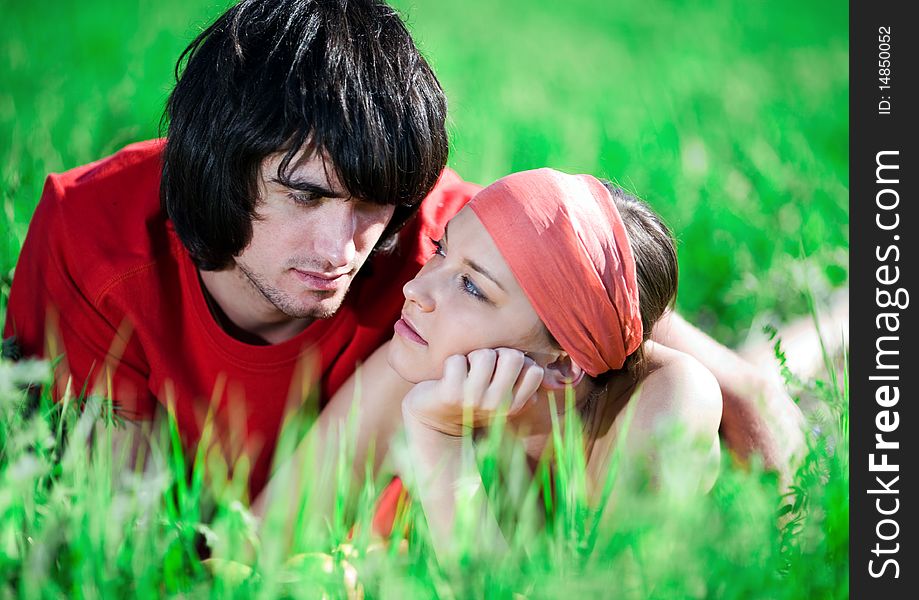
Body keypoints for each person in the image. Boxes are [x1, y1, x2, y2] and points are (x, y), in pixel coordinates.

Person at [3, 0, 802, 501]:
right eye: (304, 194)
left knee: (784, 351)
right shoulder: (96, 236)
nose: (340, 248)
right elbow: (130, 529)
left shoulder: (432, 238)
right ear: (216, 155)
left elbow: (682, 358)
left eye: (370, 206)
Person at [260, 169, 722, 556]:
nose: (416, 291)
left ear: (562, 365)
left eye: (472, 287)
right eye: (441, 250)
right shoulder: (420, 368)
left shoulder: (669, 400)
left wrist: (441, 442)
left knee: (786, 355)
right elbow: (250, 548)